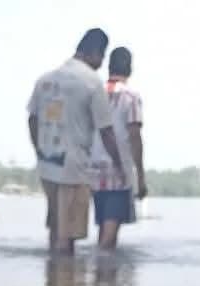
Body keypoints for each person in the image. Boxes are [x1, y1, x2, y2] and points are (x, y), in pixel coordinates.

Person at [28, 28, 127, 254]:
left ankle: (52, 275)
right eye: (102, 56)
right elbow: (106, 132)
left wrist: (39, 149)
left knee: (55, 230)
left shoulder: (45, 80)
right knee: (67, 237)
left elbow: (32, 119)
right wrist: (120, 166)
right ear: (94, 53)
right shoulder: (91, 83)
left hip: (47, 165)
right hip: (74, 168)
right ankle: (66, 276)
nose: (101, 64)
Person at [91, 46, 146, 249]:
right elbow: (134, 136)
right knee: (110, 235)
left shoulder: (95, 94)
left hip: (93, 169)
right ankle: (103, 267)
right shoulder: (131, 97)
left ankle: (99, 269)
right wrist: (140, 175)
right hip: (118, 169)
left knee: (103, 228)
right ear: (130, 68)